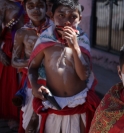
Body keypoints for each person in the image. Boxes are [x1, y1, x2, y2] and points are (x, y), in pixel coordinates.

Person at [28, 0, 100, 133]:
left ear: (80, 19)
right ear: (51, 16)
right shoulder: (44, 39)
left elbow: (84, 75)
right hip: (53, 103)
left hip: (79, 102)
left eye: (73, 17)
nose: (67, 21)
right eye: (61, 15)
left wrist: (75, 47)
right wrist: (34, 85)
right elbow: (32, 68)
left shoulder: (82, 40)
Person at [11, 0, 53, 132]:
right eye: (30, 6)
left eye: (40, 6)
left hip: (54, 81)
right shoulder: (22, 33)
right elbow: (15, 61)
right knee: (31, 125)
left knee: (50, 123)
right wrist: (34, 61)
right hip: (31, 81)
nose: (36, 10)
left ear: (47, 7)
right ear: (24, 7)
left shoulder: (55, 29)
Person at [0, 0, 25, 131]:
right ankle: (12, 117)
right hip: (10, 50)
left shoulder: (32, 4)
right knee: (11, 84)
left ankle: (22, 116)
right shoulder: (3, 4)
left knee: (23, 84)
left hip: (27, 48)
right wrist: (0, 53)